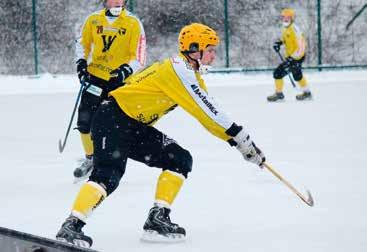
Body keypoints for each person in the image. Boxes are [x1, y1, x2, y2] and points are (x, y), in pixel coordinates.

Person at [56, 23, 265, 248]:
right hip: (112, 118)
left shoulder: (186, 72)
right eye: (211, 49)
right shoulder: (180, 71)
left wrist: (237, 141)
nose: (215, 55)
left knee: (179, 159)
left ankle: (157, 219)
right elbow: (210, 113)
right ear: (195, 50)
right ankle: (72, 225)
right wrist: (242, 140)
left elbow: (208, 114)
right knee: (108, 175)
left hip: (133, 125)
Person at [73, 0, 146, 180]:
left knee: (113, 125)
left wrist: (125, 71)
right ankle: (90, 158)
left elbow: (139, 56)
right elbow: (82, 44)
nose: (116, 2)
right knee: (84, 121)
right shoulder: (93, 20)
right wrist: (81, 64)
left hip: (118, 82)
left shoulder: (133, 23)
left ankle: (110, 160)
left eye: (120, 0)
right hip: (95, 77)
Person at [267, 8, 312, 102]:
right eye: (284, 17)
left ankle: (279, 95)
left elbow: (302, 46)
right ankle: (307, 93)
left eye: (288, 17)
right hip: (293, 57)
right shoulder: (286, 28)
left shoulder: (295, 29)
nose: (285, 19)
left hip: (296, 57)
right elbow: (285, 39)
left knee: (277, 73)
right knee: (297, 76)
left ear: (292, 18)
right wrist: (279, 43)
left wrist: (293, 59)